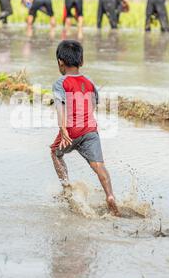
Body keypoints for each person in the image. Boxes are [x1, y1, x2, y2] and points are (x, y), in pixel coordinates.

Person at [50, 40, 120, 217]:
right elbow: (93, 104)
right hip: (90, 130)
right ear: (81, 61)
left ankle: (66, 188)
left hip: (71, 130)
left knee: (55, 153)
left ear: (60, 62)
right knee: (99, 166)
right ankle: (110, 196)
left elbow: (60, 107)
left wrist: (63, 129)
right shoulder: (89, 82)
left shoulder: (60, 83)